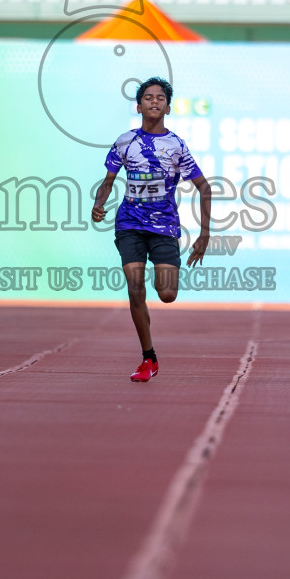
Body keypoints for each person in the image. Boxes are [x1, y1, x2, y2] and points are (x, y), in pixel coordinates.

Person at [91, 77, 210, 382]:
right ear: (139, 105)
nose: (154, 102)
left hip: (164, 228)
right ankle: (148, 357)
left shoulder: (176, 145)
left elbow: (204, 187)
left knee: (167, 293)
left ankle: (164, 285)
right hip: (129, 224)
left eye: (160, 98)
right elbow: (107, 183)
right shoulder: (125, 141)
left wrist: (204, 234)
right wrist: (98, 203)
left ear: (168, 107)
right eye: (148, 97)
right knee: (135, 289)